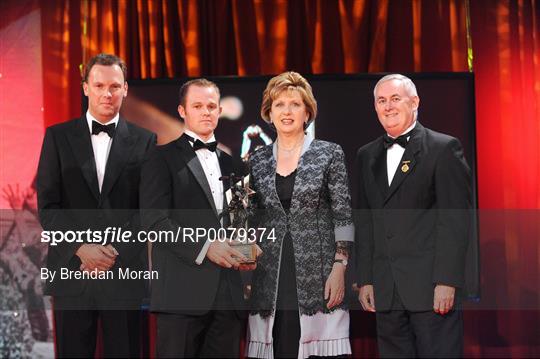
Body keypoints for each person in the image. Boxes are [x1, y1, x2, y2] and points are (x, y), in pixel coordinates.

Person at [37, 53, 156, 357]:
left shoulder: (146, 141)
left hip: (123, 271)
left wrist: (110, 254)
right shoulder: (57, 137)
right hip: (71, 272)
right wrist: (82, 249)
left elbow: (147, 209)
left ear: (125, 89)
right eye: (99, 85)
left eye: (115, 86)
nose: (107, 93)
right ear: (85, 87)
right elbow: (48, 207)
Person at [355, 73, 472, 358]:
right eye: (381, 101)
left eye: (395, 99)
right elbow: (366, 221)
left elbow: (455, 221)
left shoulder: (444, 148)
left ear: (415, 101)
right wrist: (367, 278)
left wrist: (447, 280)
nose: (388, 106)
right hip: (386, 289)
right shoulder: (366, 155)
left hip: (432, 290)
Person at [140, 78, 258, 358]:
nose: (206, 112)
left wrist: (247, 248)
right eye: (197, 105)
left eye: (211, 106)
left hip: (228, 296)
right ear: (182, 110)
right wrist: (206, 247)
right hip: (180, 296)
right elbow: (155, 223)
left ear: (219, 111)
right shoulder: (160, 158)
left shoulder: (234, 164)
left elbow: (240, 223)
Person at [245, 71, 354, 358]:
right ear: (269, 112)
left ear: (307, 111)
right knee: (279, 345)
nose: (287, 111)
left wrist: (340, 266)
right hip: (270, 277)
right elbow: (254, 218)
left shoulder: (329, 153)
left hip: (319, 275)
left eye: (295, 104)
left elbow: (343, 215)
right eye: (279, 104)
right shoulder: (256, 159)